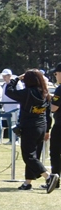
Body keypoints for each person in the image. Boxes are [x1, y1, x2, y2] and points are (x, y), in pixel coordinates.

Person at [4, 68, 50, 190]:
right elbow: (48, 112)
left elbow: (9, 91)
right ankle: (27, 183)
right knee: (33, 156)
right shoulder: (45, 93)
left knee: (28, 156)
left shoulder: (27, 93)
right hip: (42, 125)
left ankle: (48, 177)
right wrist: (47, 129)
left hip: (29, 127)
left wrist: (17, 79)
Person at [47, 64, 61, 194]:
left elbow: (54, 108)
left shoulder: (59, 89)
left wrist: (50, 100)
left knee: (55, 152)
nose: (55, 76)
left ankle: (55, 179)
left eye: (56, 74)